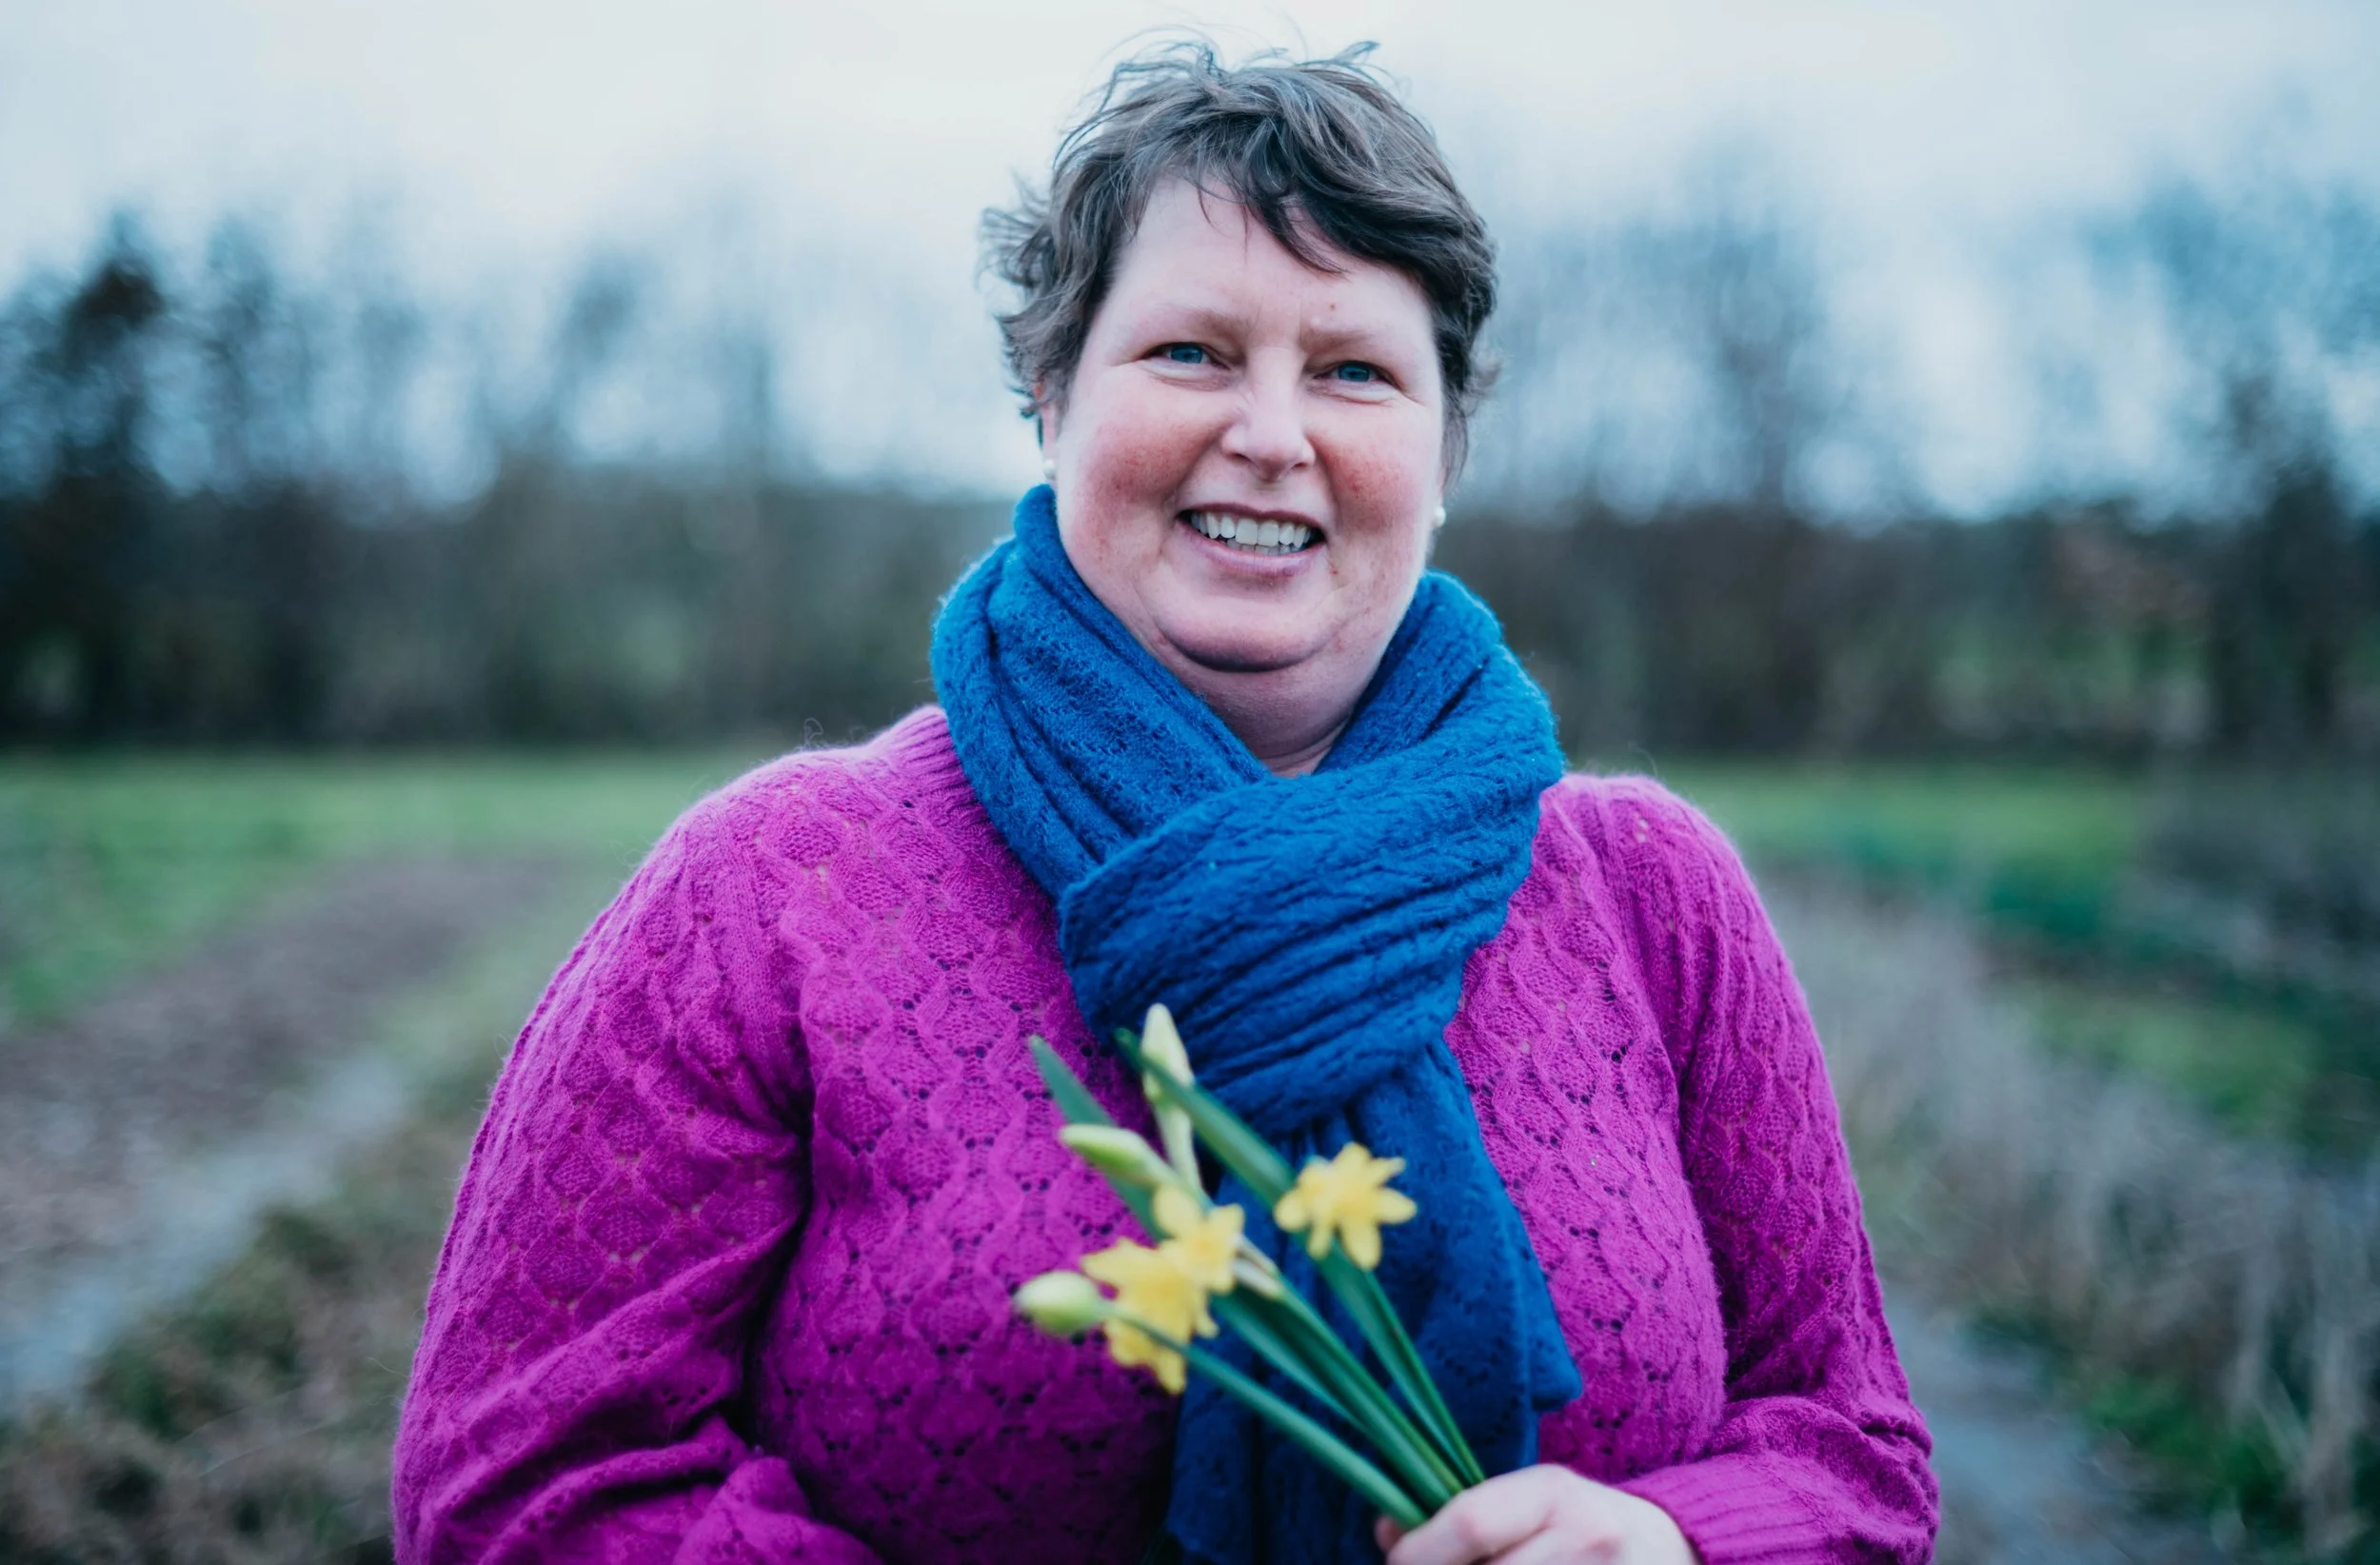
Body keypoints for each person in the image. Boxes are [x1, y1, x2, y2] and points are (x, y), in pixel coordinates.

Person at [392, 41, 1936, 1565]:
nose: (1272, 433)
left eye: (1354, 370)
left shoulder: (1651, 898)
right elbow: (526, 1483)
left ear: (1445, 448)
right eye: (1193, 351)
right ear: (1051, 395)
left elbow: (1855, 1458)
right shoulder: (777, 888)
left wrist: (1673, 1544)